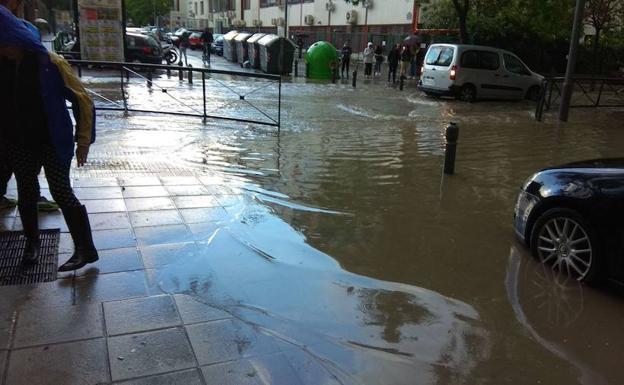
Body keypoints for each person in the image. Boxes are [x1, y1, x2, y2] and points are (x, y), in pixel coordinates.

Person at [0, 5, 99, 271]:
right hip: (17, 140)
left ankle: (85, 249)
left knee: (61, 190)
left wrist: (83, 141)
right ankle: (31, 245)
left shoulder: (50, 63)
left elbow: (83, 101)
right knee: (26, 191)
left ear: (14, 40)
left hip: (52, 139)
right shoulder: (3, 64)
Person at [0, 0, 59, 213]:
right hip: (17, 128)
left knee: (25, 174)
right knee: (21, 174)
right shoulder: (24, 34)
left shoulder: (30, 40)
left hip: (25, 128)